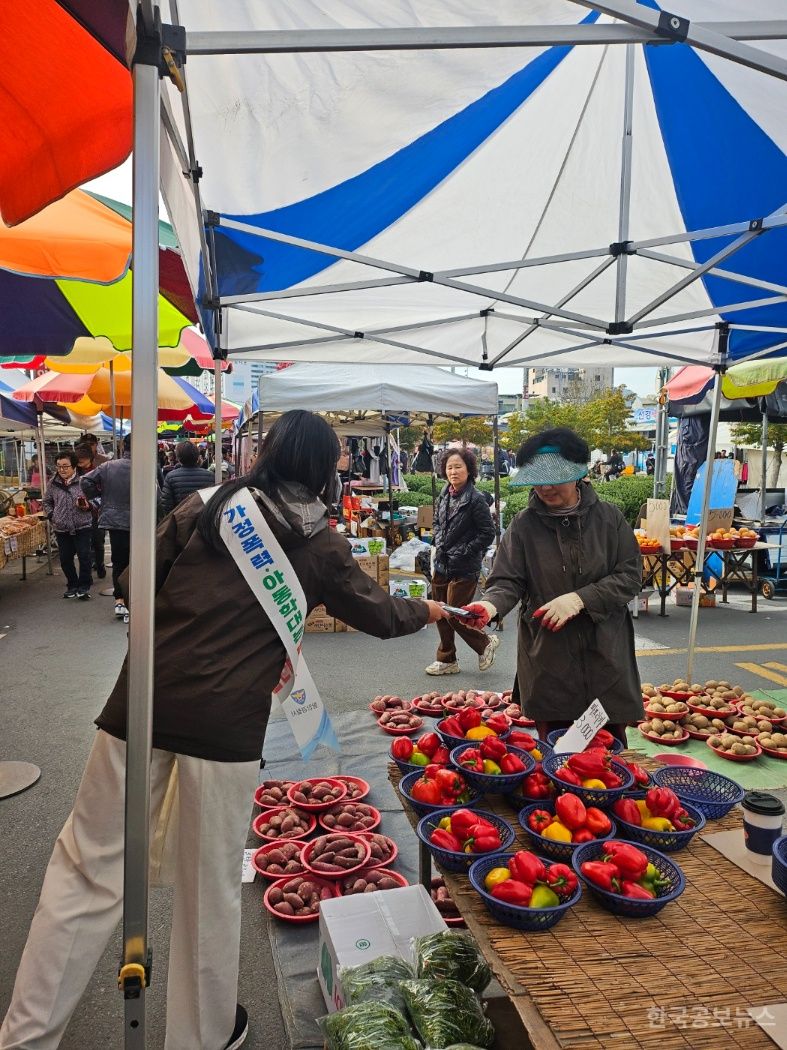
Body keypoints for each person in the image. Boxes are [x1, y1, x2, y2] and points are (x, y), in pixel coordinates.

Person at [0, 410, 447, 1050]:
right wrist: (428, 608)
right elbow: (378, 614)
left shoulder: (210, 504)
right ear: (323, 467)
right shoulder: (321, 543)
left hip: (140, 705)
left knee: (84, 872)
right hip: (228, 728)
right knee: (210, 887)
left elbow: (131, 582)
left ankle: (25, 1038)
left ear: (265, 453)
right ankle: (201, 1037)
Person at [461, 427, 643, 744]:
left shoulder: (609, 519)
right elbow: (506, 580)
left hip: (606, 653)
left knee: (611, 758)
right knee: (556, 754)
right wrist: (490, 606)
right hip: (549, 655)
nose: (544, 487)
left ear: (579, 475)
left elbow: (630, 576)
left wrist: (581, 599)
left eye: (554, 477)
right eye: (537, 478)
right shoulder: (523, 526)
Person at [426, 447, 498, 676]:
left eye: (458, 467)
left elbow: (488, 533)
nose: (453, 471)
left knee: (456, 614)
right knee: (439, 612)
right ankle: (447, 659)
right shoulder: (444, 494)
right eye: (449, 467)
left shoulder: (476, 499)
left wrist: (464, 551)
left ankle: (484, 643)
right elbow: (437, 522)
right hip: (442, 562)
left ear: (469, 470)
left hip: (465, 565)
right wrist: (439, 541)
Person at [81, 433, 132, 622]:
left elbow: (85, 481)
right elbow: (158, 495)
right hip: (141, 520)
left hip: (114, 520)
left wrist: (98, 501)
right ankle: (132, 601)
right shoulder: (149, 466)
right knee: (138, 563)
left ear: (123, 447)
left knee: (119, 562)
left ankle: (120, 601)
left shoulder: (109, 465)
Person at [43, 451, 94, 599]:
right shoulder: (53, 483)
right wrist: (52, 515)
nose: (62, 469)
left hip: (82, 525)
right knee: (65, 559)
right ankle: (72, 585)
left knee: (84, 557)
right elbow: (47, 501)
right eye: (59, 466)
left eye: (65, 466)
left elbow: (97, 500)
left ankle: (84, 586)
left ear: (74, 466)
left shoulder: (85, 481)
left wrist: (87, 506)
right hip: (61, 527)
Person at [75, 443, 107, 579]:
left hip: (96, 513)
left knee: (98, 542)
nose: (80, 462)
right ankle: (87, 575)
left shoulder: (98, 471)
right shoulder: (75, 472)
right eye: (78, 459)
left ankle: (100, 565)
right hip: (80, 513)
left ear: (90, 458)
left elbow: (103, 491)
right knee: (84, 547)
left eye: (83, 459)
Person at [160, 440, 215, 515]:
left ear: (178, 457)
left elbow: (166, 505)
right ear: (197, 456)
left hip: (180, 521)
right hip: (204, 521)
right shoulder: (210, 476)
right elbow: (214, 503)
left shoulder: (170, 477)